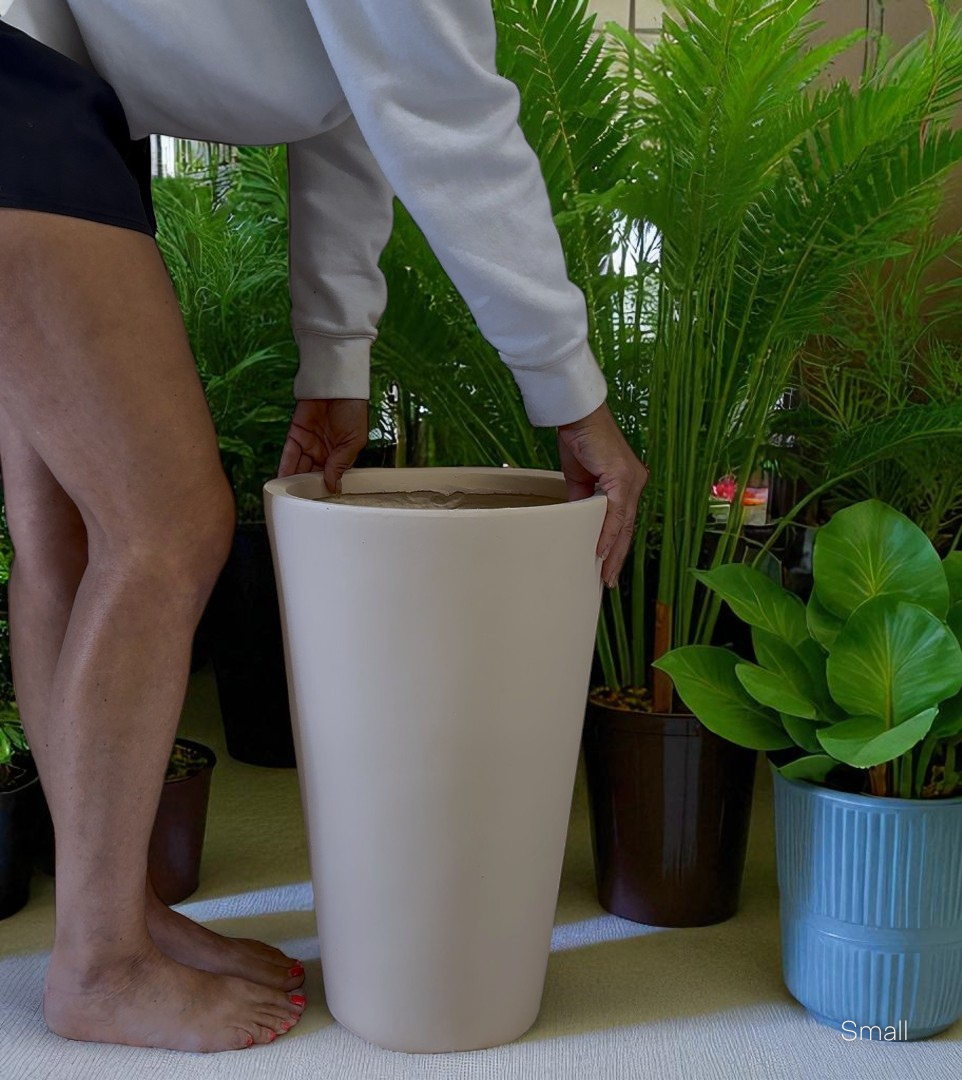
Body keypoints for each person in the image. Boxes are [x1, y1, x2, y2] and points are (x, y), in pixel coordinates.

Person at [0, 0, 649, 1056]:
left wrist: (335, 367)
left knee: (63, 529)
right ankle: (101, 967)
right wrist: (577, 401)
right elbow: (445, 119)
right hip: (28, 112)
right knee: (167, 529)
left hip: (50, 97)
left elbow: (353, 101)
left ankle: (112, 917)